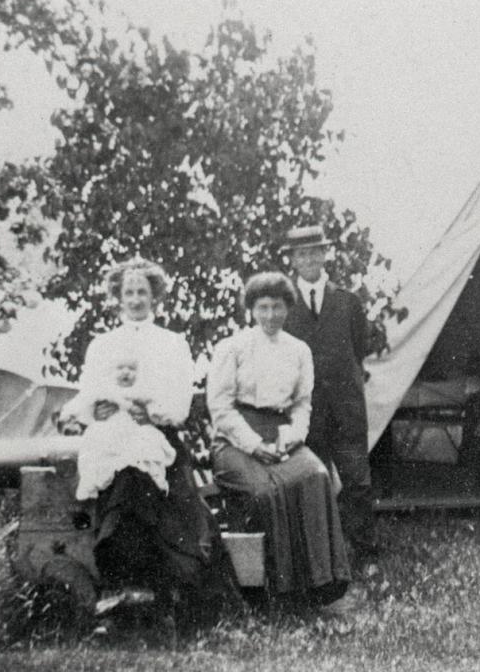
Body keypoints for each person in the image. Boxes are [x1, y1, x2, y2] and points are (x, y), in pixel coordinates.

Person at [60, 259, 241, 628]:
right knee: (122, 475)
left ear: (155, 296)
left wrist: (153, 413)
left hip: (160, 438)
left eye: (143, 291)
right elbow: (89, 393)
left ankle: (150, 591)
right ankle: (122, 586)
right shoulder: (102, 344)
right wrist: (99, 407)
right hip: (111, 435)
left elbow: (179, 401)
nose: (136, 299)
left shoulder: (172, 344)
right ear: (117, 297)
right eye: (128, 292)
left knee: (143, 484)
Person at [207, 271, 352, 602]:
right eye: (263, 308)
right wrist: (254, 446)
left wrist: (293, 437)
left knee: (316, 476)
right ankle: (277, 590)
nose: (270, 316)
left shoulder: (299, 350)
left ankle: (322, 585)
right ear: (252, 310)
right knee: (265, 491)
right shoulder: (233, 348)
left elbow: (302, 404)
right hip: (235, 439)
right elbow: (220, 408)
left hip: (281, 434)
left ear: (288, 308)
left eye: (277, 307)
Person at [281, 224, 377, 560]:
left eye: (314, 251)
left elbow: (359, 347)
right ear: (292, 260)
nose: (308, 259)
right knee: (315, 485)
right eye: (301, 253)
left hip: (346, 409)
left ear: (325, 254)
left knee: (357, 483)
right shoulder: (283, 305)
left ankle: (365, 553)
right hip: (308, 413)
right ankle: (325, 558)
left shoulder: (347, 301)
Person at [67, 355, 176, 500]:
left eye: (132, 369)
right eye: (120, 368)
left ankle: (154, 479)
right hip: (111, 428)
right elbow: (84, 404)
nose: (126, 372)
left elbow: (158, 408)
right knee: (97, 441)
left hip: (136, 429)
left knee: (149, 441)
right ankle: (95, 482)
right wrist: (90, 414)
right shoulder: (105, 390)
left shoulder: (142, 391)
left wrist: (151, 414)